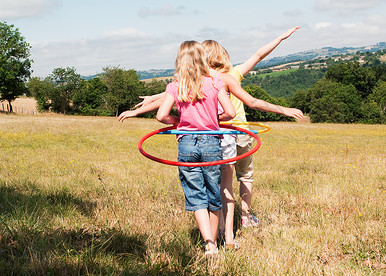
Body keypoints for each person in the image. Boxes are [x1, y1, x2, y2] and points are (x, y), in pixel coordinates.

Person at [118, 27, 303, 248]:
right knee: (226, 186)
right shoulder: (224, 78)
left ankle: (213, 239)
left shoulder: (193, 80)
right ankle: (229, 236)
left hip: (202, 138)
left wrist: (145, 109)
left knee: (206, 188)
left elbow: (172, 94)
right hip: (225, 135)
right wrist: (283, 109)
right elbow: (255, 73)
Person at [155, 41, 235, 257]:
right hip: (211, 142)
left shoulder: (175, 86)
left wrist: (179, 121)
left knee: (195, 193)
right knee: (213, 191)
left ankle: (209, 245)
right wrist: (213, 120)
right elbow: (231, 113)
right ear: (202, 59)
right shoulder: (215, 84)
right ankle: (215, 241)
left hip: (187, 144)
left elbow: (161, 116)